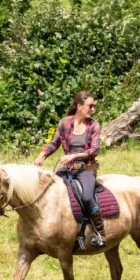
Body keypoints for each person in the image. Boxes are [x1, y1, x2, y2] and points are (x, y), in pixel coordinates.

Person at [35, 91, 105, 247]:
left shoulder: (94, 125)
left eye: (94, 106)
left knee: (87, 197)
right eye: (90, 106)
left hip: (86, 169)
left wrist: (73, 156)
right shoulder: (64, 123)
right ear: (79, 106)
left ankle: (100, 233)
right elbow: (54, 143)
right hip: (67, 170)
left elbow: (94, 150)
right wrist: (42, 155)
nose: (93, 109)